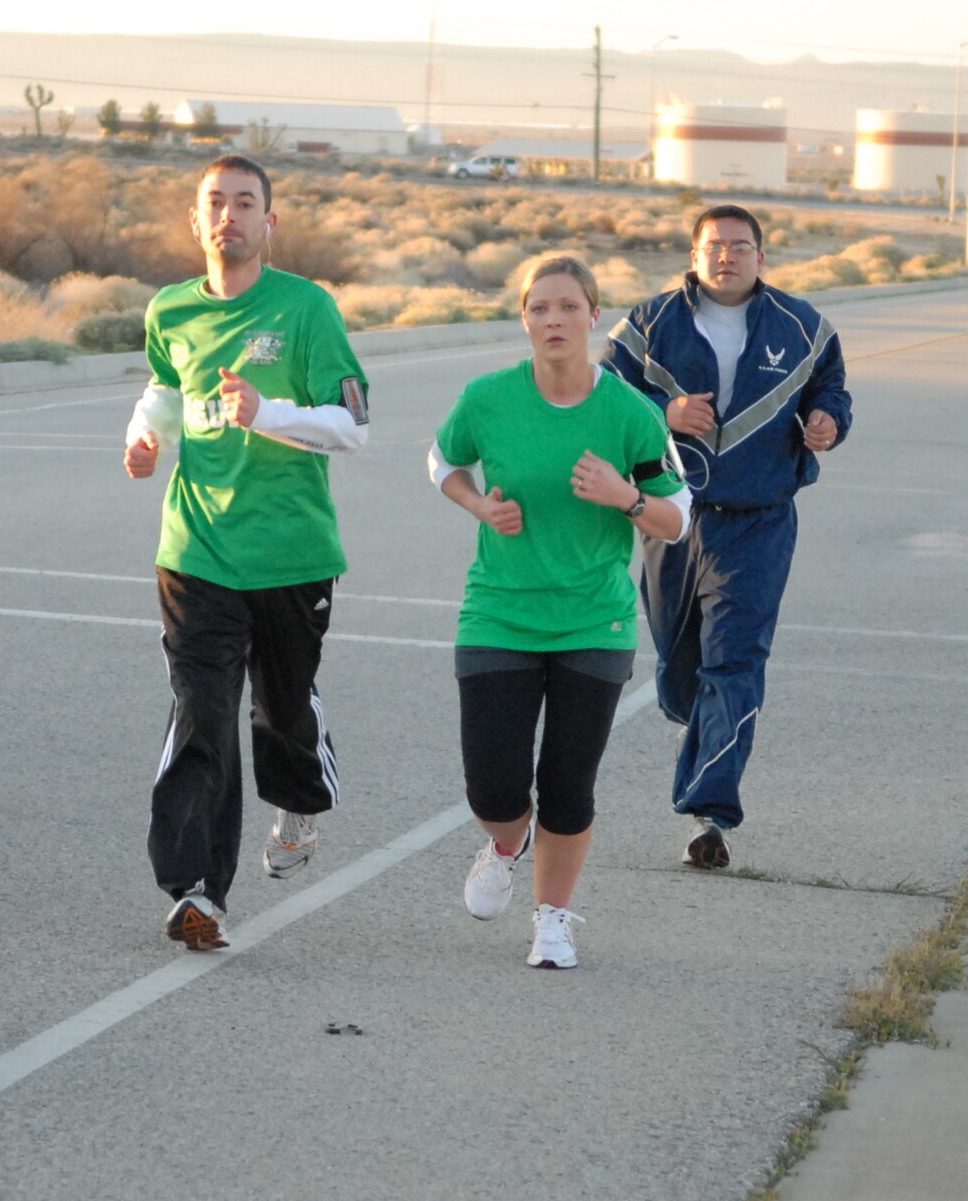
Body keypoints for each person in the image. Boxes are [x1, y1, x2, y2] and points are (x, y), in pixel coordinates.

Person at [122, 155, 370, 951]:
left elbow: (352, 427)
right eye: (215, 202)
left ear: (270, 223)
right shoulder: (170, 310)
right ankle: (197, 888)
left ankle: (299, 797)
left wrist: (268, 412)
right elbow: (164, 387)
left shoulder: (306, 309)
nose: (228, 214)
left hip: (294, 555)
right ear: (196, 221)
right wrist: (144, 436)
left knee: (283, 703)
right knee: (203, 710)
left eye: (245, 203)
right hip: (195, 549)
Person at [431, 255, 691, 969]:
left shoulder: (629, 413)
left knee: (569, 782)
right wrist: (478, 503)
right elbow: (441, 461)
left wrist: (625, 497)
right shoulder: (487, 398)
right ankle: (505, 843)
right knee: (492, 784)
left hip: (593, 620)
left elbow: (678, 519)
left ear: (593, 315)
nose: (554, 319)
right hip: (498, 612)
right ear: (524, 318)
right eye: (540, 307)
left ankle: (552, 919)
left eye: (569, 307)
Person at [605, 204, 851, 871]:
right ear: (694, 255)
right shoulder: (650, 324)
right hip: (672, 518)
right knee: (682, 673)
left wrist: (828, 418)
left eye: (741, 246)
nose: (727, 256)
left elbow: (832, 388)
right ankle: (701, 729)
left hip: (759, 521)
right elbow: (602, 395)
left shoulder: (802, 326)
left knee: (734, 665)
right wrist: (666, 412)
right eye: (715, 246)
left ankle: (710, 815)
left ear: (760, 257)